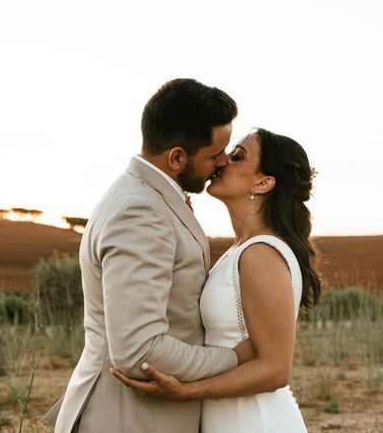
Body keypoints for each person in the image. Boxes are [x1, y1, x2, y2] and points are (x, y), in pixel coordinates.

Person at [45, 79, 255, 433]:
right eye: (214, 154)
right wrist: (235, 358)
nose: (223, 161)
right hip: (129, 419)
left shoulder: (144, 195)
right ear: (176, 157)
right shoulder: (140, 212)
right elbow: (140, 350)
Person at [112, 128, 321, 433]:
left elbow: (276, 369)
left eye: (237, 157)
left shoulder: (261, 253)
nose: (222, 162)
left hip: (255, 421)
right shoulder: (240, 250)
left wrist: (187, 391)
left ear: (263, 182)